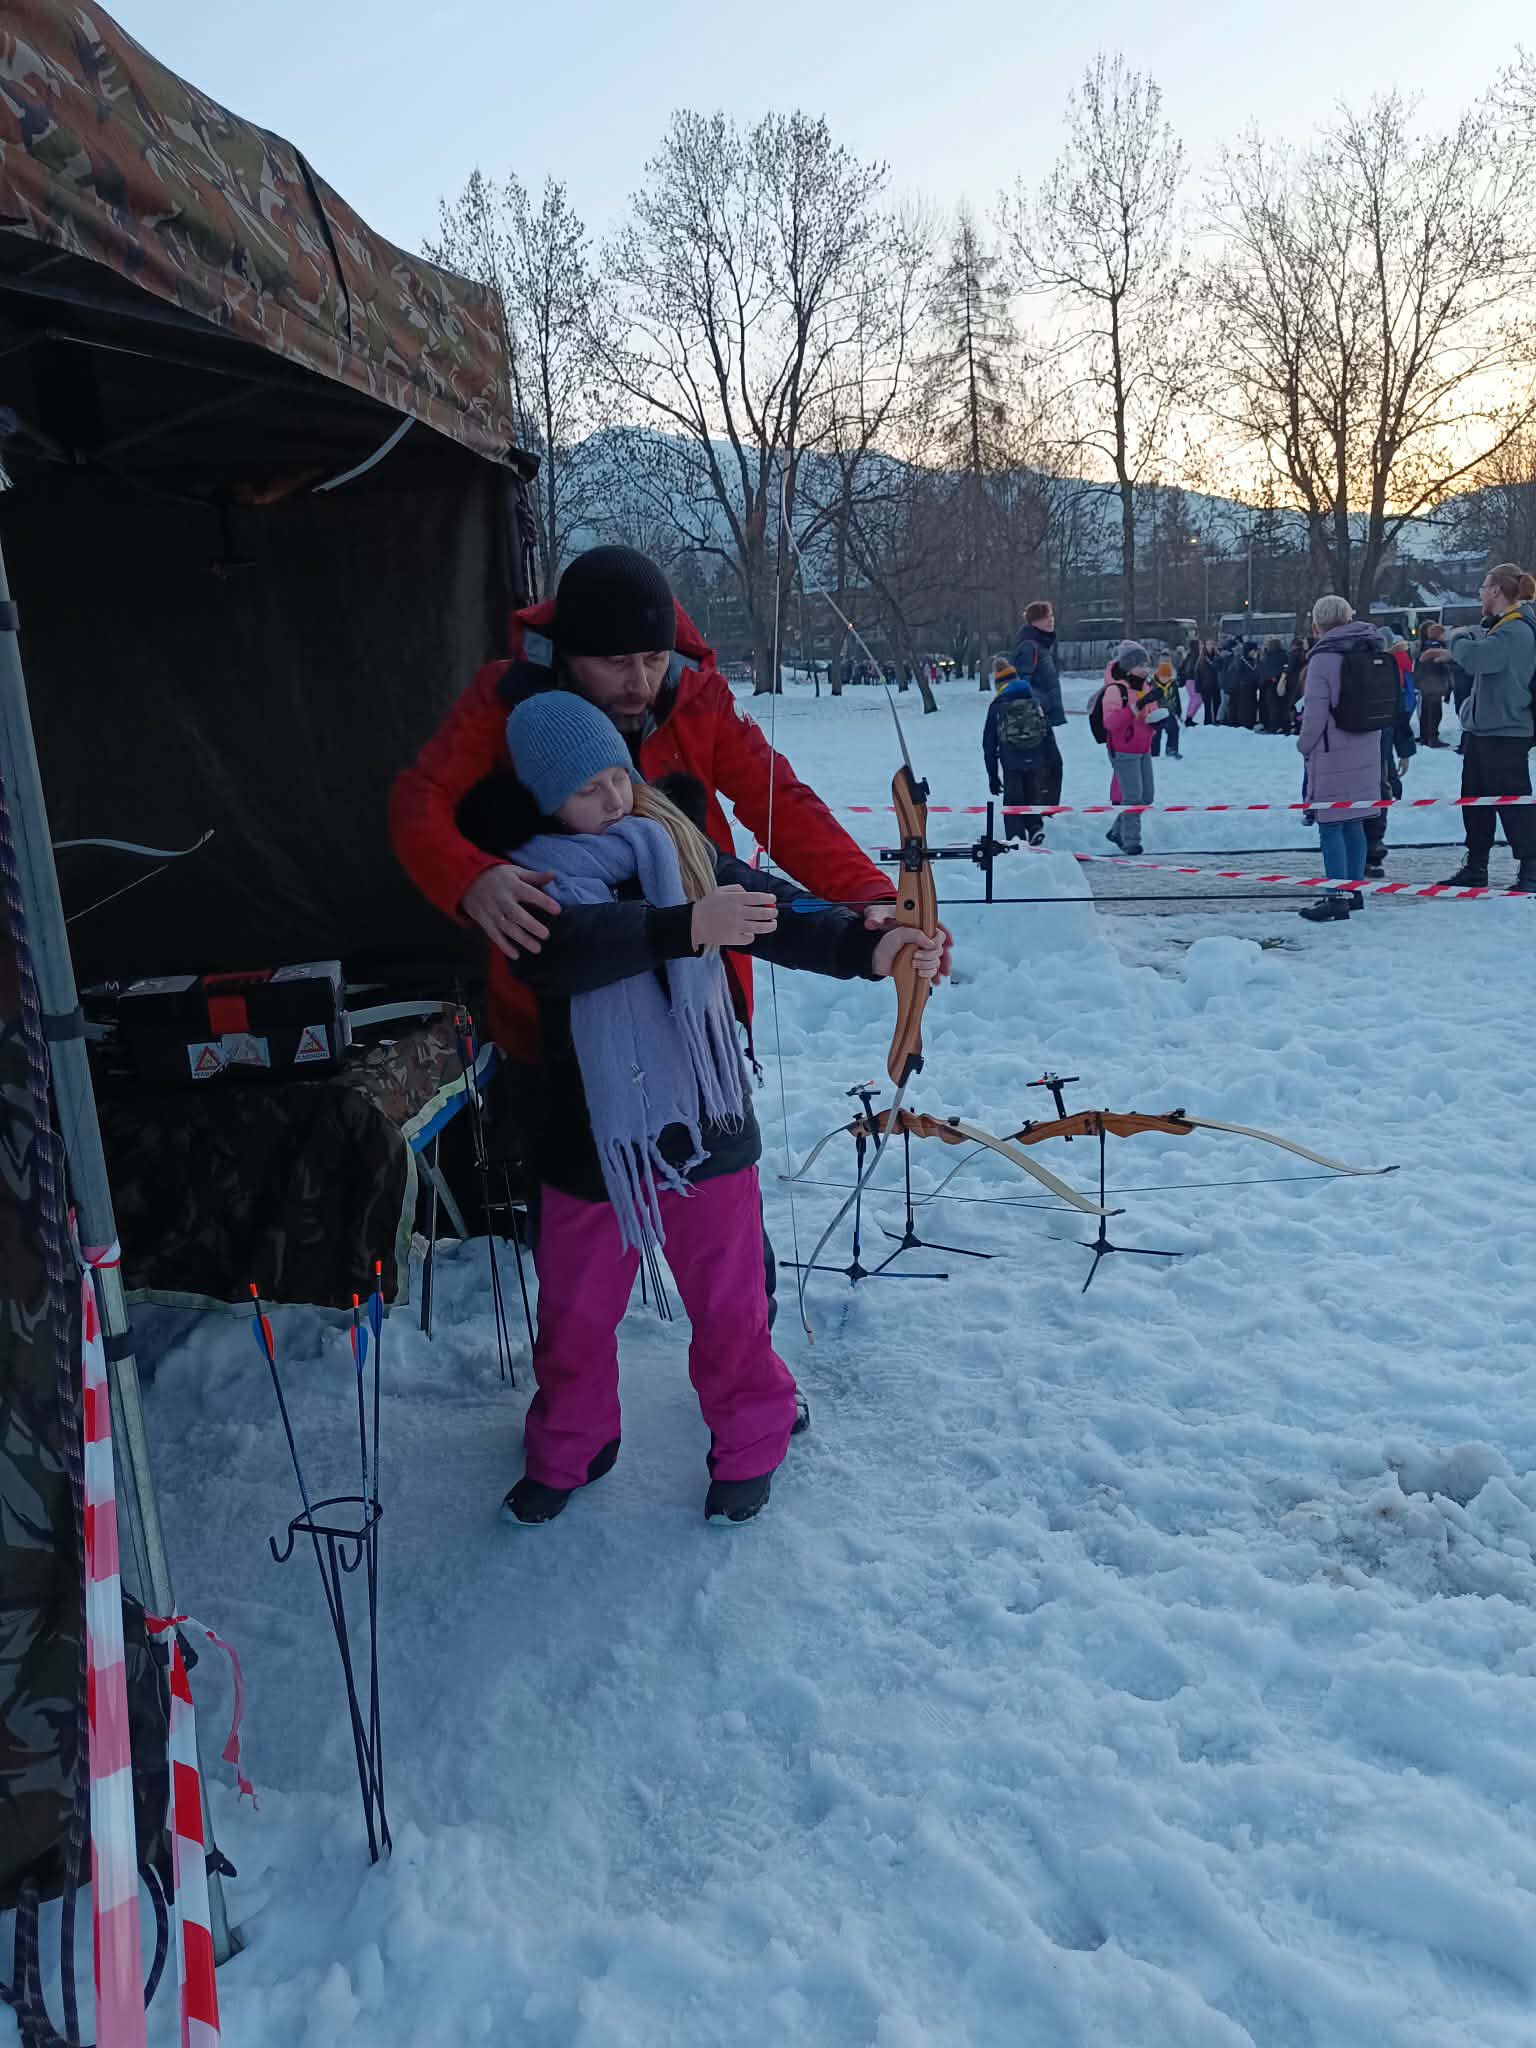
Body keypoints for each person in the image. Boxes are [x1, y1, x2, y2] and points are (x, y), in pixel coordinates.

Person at [390, 546, 951, 1319]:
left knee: (725, 1217)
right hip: (560, 1021)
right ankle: (580, 1366)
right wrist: (470, 877)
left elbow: (780, 802)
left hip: (697, 1006)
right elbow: (419, 800)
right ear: (568, 653)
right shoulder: (507, 699)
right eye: (615, 662)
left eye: (652, 659)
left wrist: (874, 904)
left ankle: (746, 1346)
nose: (640, 682)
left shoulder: (697, 695)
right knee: (578, 1237)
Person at [492, 694, 943, 1528]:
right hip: (589, 1137)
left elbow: (768, 907)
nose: (614, 797)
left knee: (731, 1304)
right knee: (574, 1315)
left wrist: (869, 943)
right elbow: (564, 953)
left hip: (705, 1118)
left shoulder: (671, 839)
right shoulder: (526, 879)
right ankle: (570, 1445)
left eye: (617, 775)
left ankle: (750, 1442)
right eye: (586, 789)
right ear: (544, 800)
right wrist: (686, 926)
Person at [1425, 563, 1536, 891]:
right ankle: (1476, 866)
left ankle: (1531, 870)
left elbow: (1478, 659)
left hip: (1505, 731)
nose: (1480, 593)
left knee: (1513, 804)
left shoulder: (1515, 630)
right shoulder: (1503, 628)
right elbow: (1487, 658)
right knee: (1475, 802)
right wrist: (1454, 654)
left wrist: (1456, 637)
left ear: (1497, 591)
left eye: (1484, 587)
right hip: (1486, 730)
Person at [1295, 596, 1385, 922]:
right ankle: (1354, 891)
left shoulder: (1323, 659)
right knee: (1354, 822)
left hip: (1332, 751)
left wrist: (1304, 745)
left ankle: (1336, 897)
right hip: (1367, 745)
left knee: (1331, 825)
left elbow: (1315, 715)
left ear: (1317, 624)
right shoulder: (1370, 647)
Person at [1100, 641, 1163, 857]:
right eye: (1140, 665)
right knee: (1132, 797)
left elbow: (1149, 715)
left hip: (1143, 747)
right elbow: (1110, 723)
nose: (1145, 669)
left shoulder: (1145, 688)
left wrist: (1157, 721)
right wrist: (1136, 707)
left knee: (1147, 796)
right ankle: (1131, 841)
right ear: (1128, 667)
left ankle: (1116, 831)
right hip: (1123, 748)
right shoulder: (1115, 690)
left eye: (1147, 665)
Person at [983, 655, 1053, 843]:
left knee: (1013, 800)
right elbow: (1046, 730)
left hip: (1011, 760)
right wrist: (1048, 759)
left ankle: (1016, 839)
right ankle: (1035, 827)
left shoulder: (998, 705)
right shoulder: (1033, 699)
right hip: (1036, 757)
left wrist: (992, 776)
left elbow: (989, 743)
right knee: (1032, 794)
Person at [1010, 600, 1067, 818]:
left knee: (1051, 765)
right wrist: (1038, 704)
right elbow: (1021, 681)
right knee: (1048, 765)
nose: (1051, 621)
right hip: (1035, 718)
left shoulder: (1042, 645)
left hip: (1044, 717)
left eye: (1051, 616)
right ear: (1034, 621)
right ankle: (1041, 813)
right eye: (1045, 617)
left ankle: (1044, 812)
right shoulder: (1029, 646)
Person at [1413, 623, 1450, 746]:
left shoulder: (1424, 646)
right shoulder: (1436, 648)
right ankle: (1433, 738)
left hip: (1425, 683)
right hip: (1434, 683)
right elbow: (1439, 666)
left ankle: (1424, 736)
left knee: (1425, 710)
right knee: (1435, 712)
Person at [1149, 656, 1182, 758]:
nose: (1165, 679)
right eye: (1163, 676)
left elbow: (1177, 698)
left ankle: (1172, 749)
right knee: (1155, 734)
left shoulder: (1173, 685)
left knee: (1174, 729)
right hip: (1156, 714)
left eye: (1167, 676)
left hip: (1169, 712)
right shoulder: (1152, 685)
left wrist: (1178, 711)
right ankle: (1154, 753)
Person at [1256, 636, 1287, 732]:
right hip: (1277, 683)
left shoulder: (1267, 656)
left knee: (1270, 705)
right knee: (1276, 705)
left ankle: (1271, 724)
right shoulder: (1283, 655)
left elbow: (1263, 668)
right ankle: (1276, 724)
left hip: (1268, 683)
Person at [1194, 639, 1222, 726]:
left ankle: (1217, 720)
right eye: (1208, 644)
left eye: (1212, 644)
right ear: (1206, 646)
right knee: (1207, 705)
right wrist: (1198, 687)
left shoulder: (1217, 657)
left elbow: (1220, 668)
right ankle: (1207, 722)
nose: (1210, 646)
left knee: (1217, 703)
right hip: (1205, 686)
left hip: (1216, 685)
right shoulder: (1201, 658)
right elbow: (1197, 672)